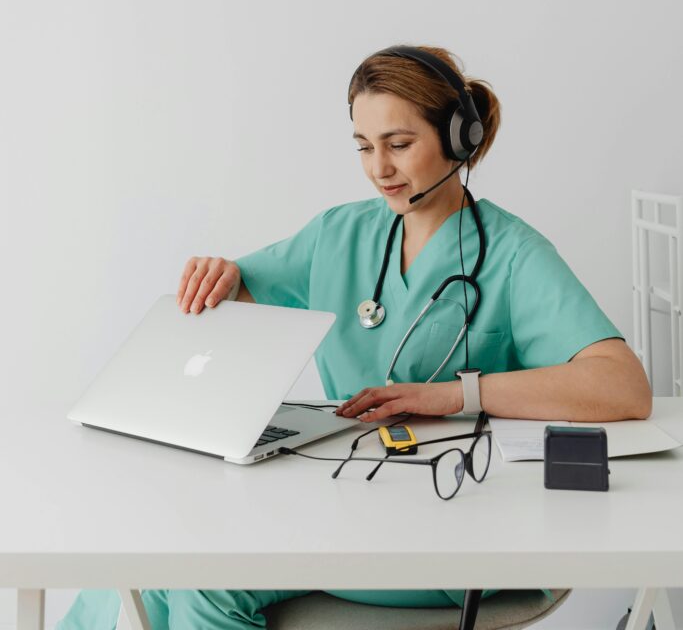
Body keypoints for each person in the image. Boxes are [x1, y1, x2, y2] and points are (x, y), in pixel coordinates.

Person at [57, 44, 652, 630]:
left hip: (462, 520)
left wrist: (453, 395)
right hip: (346, 499)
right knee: (156, 569)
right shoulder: (339, 234)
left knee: (207, 582)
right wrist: (223, 274)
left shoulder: (514, 253)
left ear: (458, 139)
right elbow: (240, 289)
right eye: (364, 147)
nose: (379, 169)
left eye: (399, 144)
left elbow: (623, 387)